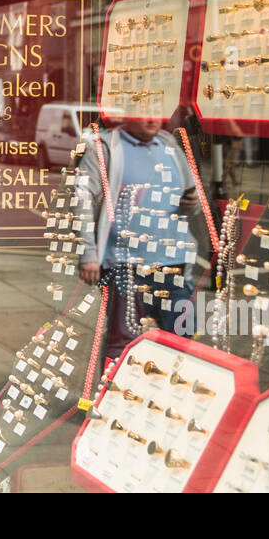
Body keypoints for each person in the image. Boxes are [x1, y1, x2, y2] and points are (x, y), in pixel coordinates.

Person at [76, 118, 202, 360]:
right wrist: (89, 253)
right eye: (143, 112)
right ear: (126, 116)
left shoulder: (169, 144)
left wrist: (192, 203)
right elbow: (82, 202)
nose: (152, 118)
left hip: (172, 263)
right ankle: (115, 395)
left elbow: (192, 198)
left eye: (156, 111)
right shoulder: (103, 147)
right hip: (127, 266)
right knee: (124, 345)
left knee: (182, 340)